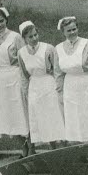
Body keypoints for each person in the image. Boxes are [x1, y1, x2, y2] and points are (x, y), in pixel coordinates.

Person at [17, 20, 65, 151]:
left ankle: (56, 147)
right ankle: (41, 147)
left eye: (35, 35)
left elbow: (57, 70)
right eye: (30, 37)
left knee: (51, 116)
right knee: (38, 118)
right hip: (34, 87)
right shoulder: (21, 53)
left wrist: (58, 88)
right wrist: (26, 92)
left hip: (48, 85)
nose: (34, 39)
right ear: (24, 38)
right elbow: (24, 74)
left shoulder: (48, 48)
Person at [54, 16, 88, 143]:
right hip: (70, 86)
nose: (72, 32)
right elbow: (58, 73)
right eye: (69, 30)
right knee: (73, 116)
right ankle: (76, 145)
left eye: (74, 29)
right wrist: (59, 92)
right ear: (63, 32)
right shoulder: (58, 48)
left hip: (87, 84)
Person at [0, 8, 27, 150]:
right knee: (7, 116)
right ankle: (22, 146)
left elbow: (25, 58)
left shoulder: (15, 37)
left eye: (1, 21)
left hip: (14, 78)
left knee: (19, 113)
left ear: (6, 20)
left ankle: (30, 146)